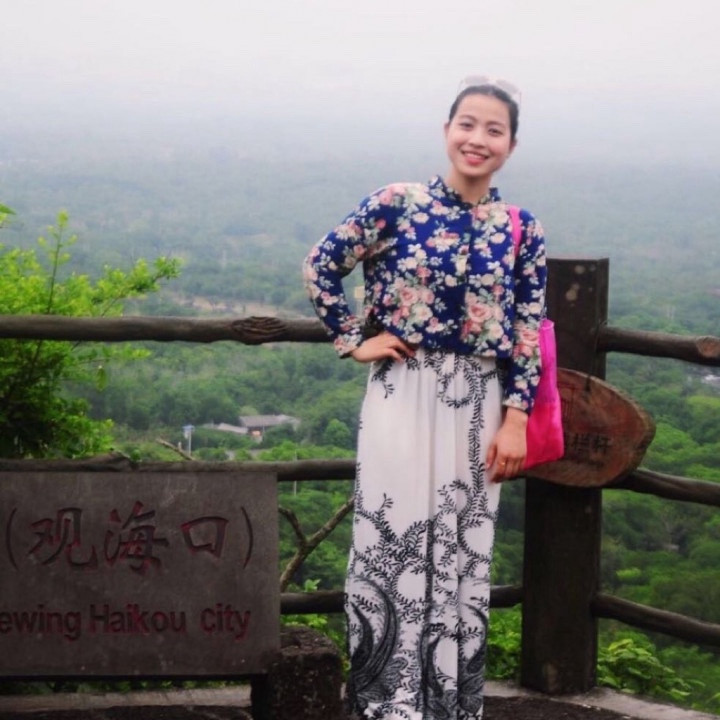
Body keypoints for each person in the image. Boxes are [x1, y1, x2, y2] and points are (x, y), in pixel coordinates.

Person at [303, 75, 547, 720]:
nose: (478, 139)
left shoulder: (521, 229)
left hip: (481, 401)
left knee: (465, 547)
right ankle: (386, 702)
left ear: (511, 145)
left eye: (494, 129)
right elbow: (320, 264)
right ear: (447, 131)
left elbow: (527, 329)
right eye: (467, 124)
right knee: (392, 538)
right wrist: (354, 340)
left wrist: (517, 419)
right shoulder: (397, 204)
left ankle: (449, 704)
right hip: (402, 389)